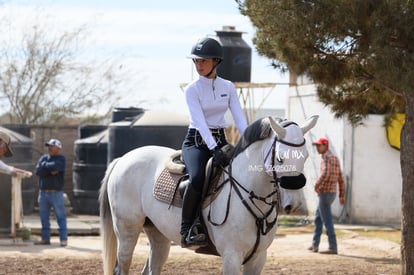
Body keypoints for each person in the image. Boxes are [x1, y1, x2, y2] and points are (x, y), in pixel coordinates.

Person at [180, 37, 248, 248]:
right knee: (198, 178)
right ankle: (187, 229)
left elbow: (239, 117)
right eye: (196, 61)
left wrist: (248, 141)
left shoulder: (228, 86)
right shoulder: (192, 89)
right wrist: (213, 148)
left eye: (203, 61)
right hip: (197, 142)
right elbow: (199, 123)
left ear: (216, 61)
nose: (198, 65)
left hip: (221, 139)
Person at [308, 137, 345, 254]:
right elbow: (340, 178)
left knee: (327, 220)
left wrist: (316, 186)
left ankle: (333, 247)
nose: (317, 148)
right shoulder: (335, 158)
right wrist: (341, 195)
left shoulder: (326, 158)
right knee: (318, 218)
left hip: (324, 193)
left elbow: (325, 173)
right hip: (332, 193)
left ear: (325, 146)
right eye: (317, 146)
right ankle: (315, 245)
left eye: (319, 146)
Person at [34, 138, 68, 247]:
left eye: (52, 146)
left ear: (58, 148)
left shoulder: (61, 159)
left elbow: (56, 167)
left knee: (60, 217)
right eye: (49, 146)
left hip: (56, 193)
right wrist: (49, 169)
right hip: (43, 193)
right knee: (44, 217)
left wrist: (45, 167)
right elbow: (38, 171)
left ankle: (63, 239)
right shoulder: (44, 158)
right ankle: (45, 239)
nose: (50, 148)